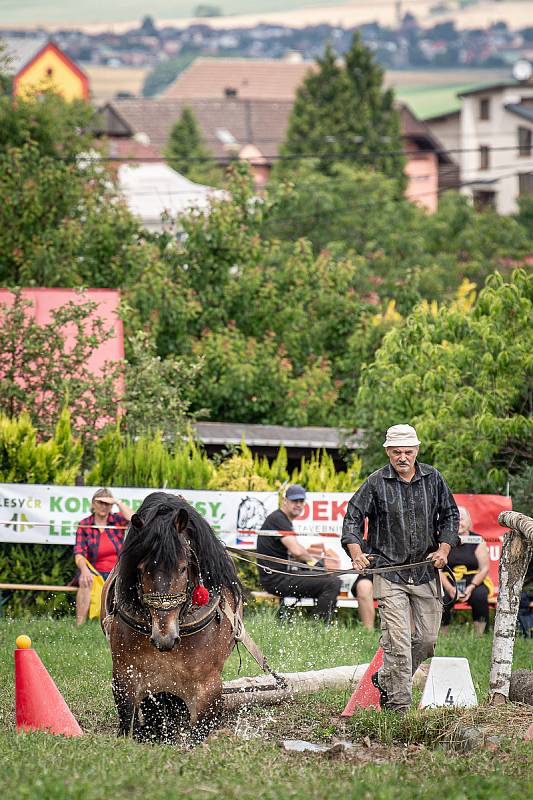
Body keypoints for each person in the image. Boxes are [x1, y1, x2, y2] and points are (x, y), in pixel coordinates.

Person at [341, 424, 459, 713]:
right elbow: (352, 519)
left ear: (416, 451)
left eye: (408, 451)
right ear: (388, 452)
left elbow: (451, 516)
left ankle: (385, 678)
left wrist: (443, 549)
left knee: (428, 640)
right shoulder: (375, 482)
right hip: (388, 570)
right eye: (397, 452)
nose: (403, 457)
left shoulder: (434, 479)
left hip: (424, 571)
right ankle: (399, 708)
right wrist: (356, 552)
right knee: (398, 640)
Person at [256, 484, 341, 623]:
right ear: (285, 501)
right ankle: (319, 627)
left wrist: (314, 565)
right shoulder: (278, 519)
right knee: (332, 583)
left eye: (301, 501)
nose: (299, 504)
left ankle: (317, 622)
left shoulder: (281, 519)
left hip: (280, 577)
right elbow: (297, 551)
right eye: (295, 501)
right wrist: (315, 564)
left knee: (327, 578)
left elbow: (297, 549)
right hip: (277, 579)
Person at [73, 488, 133, 625]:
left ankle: (121, 623)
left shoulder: (117, 521)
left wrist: (117, 501)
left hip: (116, 570)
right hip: (93, 571)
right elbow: (79, 552)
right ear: (93, 504)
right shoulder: (84, 524)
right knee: (85, 580)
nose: (103, 506)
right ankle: (79, 625)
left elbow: (133, 518)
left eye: (107, 504)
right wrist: (84, 571)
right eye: (100, 502)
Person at [440, 506, 493, 635]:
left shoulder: (478, 540)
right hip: (448, 579)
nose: (459, 523)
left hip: (473, 579)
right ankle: (442, 635)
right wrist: (450, 589)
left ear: (469, 521)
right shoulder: (443, 540)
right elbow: (438, 569)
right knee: (441, 598)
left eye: (462, 519)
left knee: (479, 596)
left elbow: (484, 568)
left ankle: (480, 636)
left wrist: (471, 587)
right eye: (455, 520)